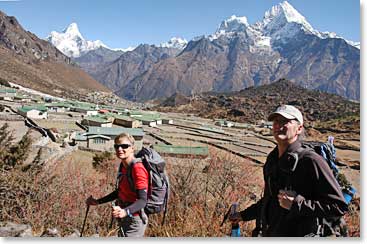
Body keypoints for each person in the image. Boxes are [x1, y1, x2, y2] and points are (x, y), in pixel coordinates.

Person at [229, 105, 348, 237]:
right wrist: (242, 216)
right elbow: (270, 200)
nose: (278, 125)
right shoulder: (272, 160)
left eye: (285, 121)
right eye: (276, 121)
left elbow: (338, 207)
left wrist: (297, 204)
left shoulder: (311, 161)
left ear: (299, 128)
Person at [86, 133, 148, 237]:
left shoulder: (138, 169)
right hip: (124, 217)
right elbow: (120, 192)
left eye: (124, 146)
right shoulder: (123, 166)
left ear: (132, 148)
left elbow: (143, 200)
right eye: (116, 146)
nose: (119, 149)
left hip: (134, 220)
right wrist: (98, 201)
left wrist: (125, 211)